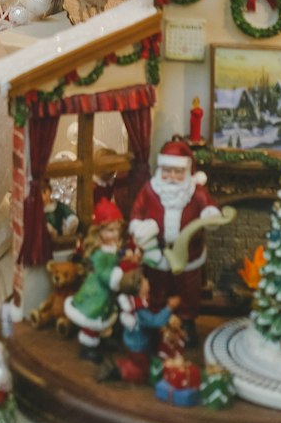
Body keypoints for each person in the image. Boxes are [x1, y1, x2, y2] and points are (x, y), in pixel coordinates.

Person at [128, 140, 223, 324]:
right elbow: (137, 212)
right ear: (161, 169)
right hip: (158, 252)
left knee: (187, 289)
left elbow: (209, 208)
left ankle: (186, 321)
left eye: (178, 172)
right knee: (158, 286)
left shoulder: (196, 192)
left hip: (188, 253)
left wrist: (210, 216)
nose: (171, 176)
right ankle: (158, 320)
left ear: (186, 172)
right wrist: (139, 228)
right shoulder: (150, 189)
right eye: (167, 171)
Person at [63, 198, 139, 360]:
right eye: (110, 230)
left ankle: (101, 339)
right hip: (98, 291)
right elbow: (104, 273)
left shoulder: (112, 247)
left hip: (108, 291)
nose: (114, 234)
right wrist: (117, 275)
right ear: (99, 232)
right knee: (93, 317)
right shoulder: (99, 253)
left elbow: (116, 261)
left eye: (116, 229)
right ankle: (88, 345)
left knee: (105, 316)